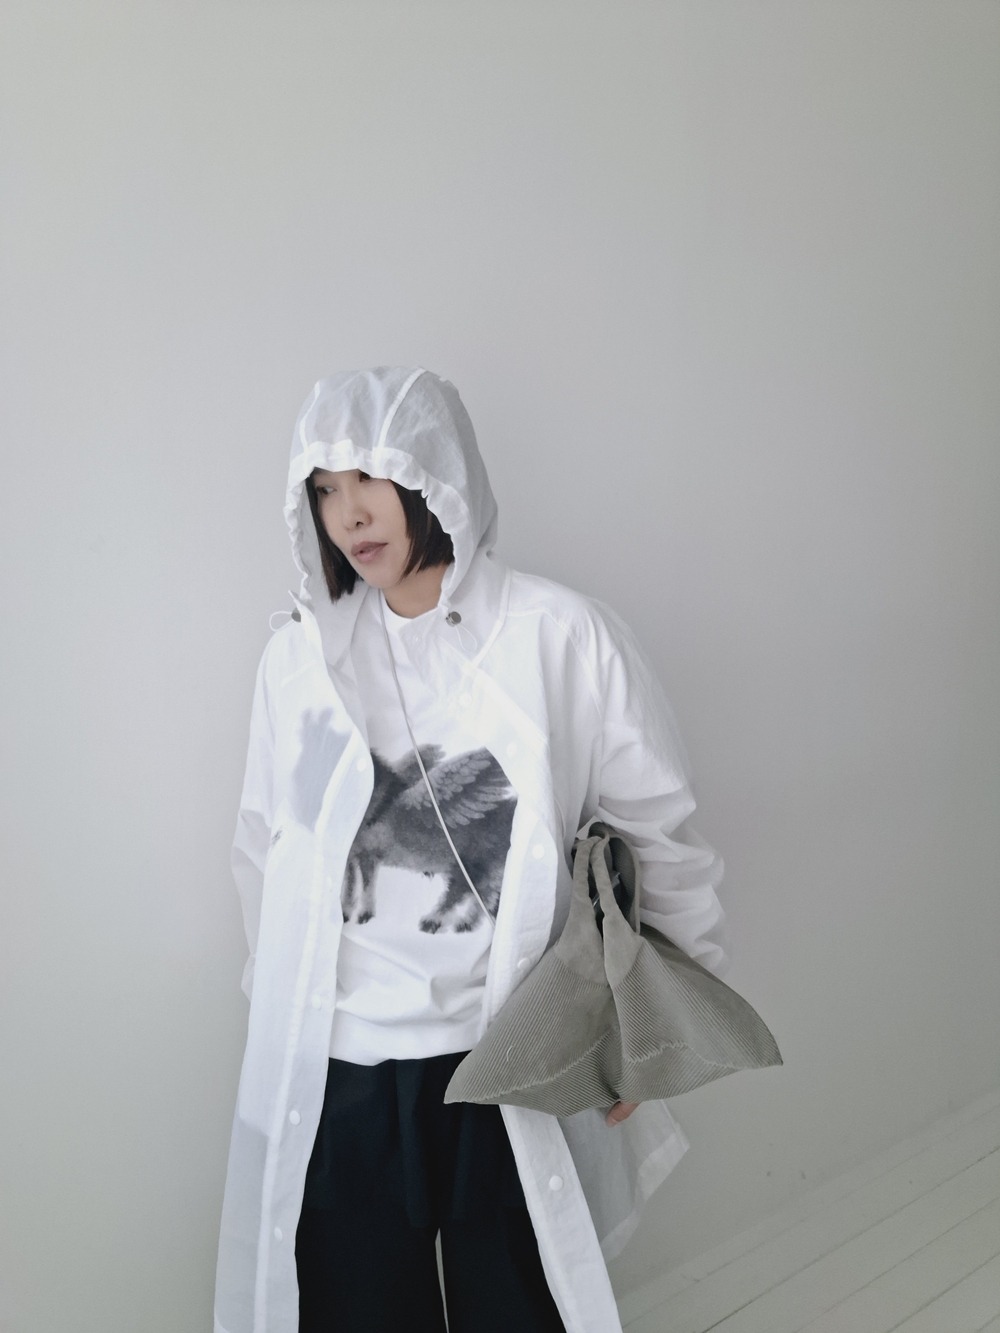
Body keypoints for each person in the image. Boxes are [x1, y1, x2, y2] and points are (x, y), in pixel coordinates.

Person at [214, 367, 728, 1333]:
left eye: (370, 477)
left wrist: (648, 1034)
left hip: (511, 1055)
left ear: (434, 472)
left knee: (521, 1308)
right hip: (345, 1069)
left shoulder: (558, 636)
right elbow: (263, 849)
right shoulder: (297, 663)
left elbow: (660, 832)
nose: (349, 514)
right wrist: (275, 1010)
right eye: (324, 489)